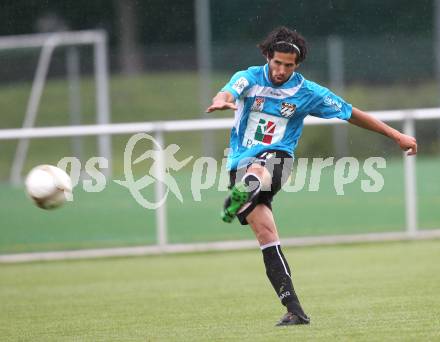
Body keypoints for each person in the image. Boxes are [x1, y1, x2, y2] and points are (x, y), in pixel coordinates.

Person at [206, 26, 417, 326]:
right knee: (266, 235)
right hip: (239, 163)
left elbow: (351, 112)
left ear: (297, 64)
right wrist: (221, 99)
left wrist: (396, 135)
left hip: (279, 160)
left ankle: (247, 188)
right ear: (268, 56)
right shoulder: (250, 77)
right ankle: (295, 310)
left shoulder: (308, 93)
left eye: (288, 65)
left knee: (259, 171)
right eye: (277, 62)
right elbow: (230, 90)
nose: (280, 70)